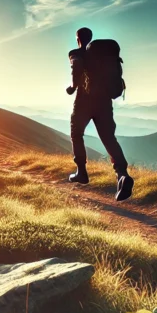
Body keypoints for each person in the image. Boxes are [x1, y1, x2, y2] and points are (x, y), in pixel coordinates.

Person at [66, 27, 134, 201]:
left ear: (78, 38)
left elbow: (76, 67)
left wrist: (73, 87)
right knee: (108, 138)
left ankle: (81, 171)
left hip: (84, 101)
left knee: (76, 133)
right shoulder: (105, 57)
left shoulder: (76, 53)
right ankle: (122, 175)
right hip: (104, 102)